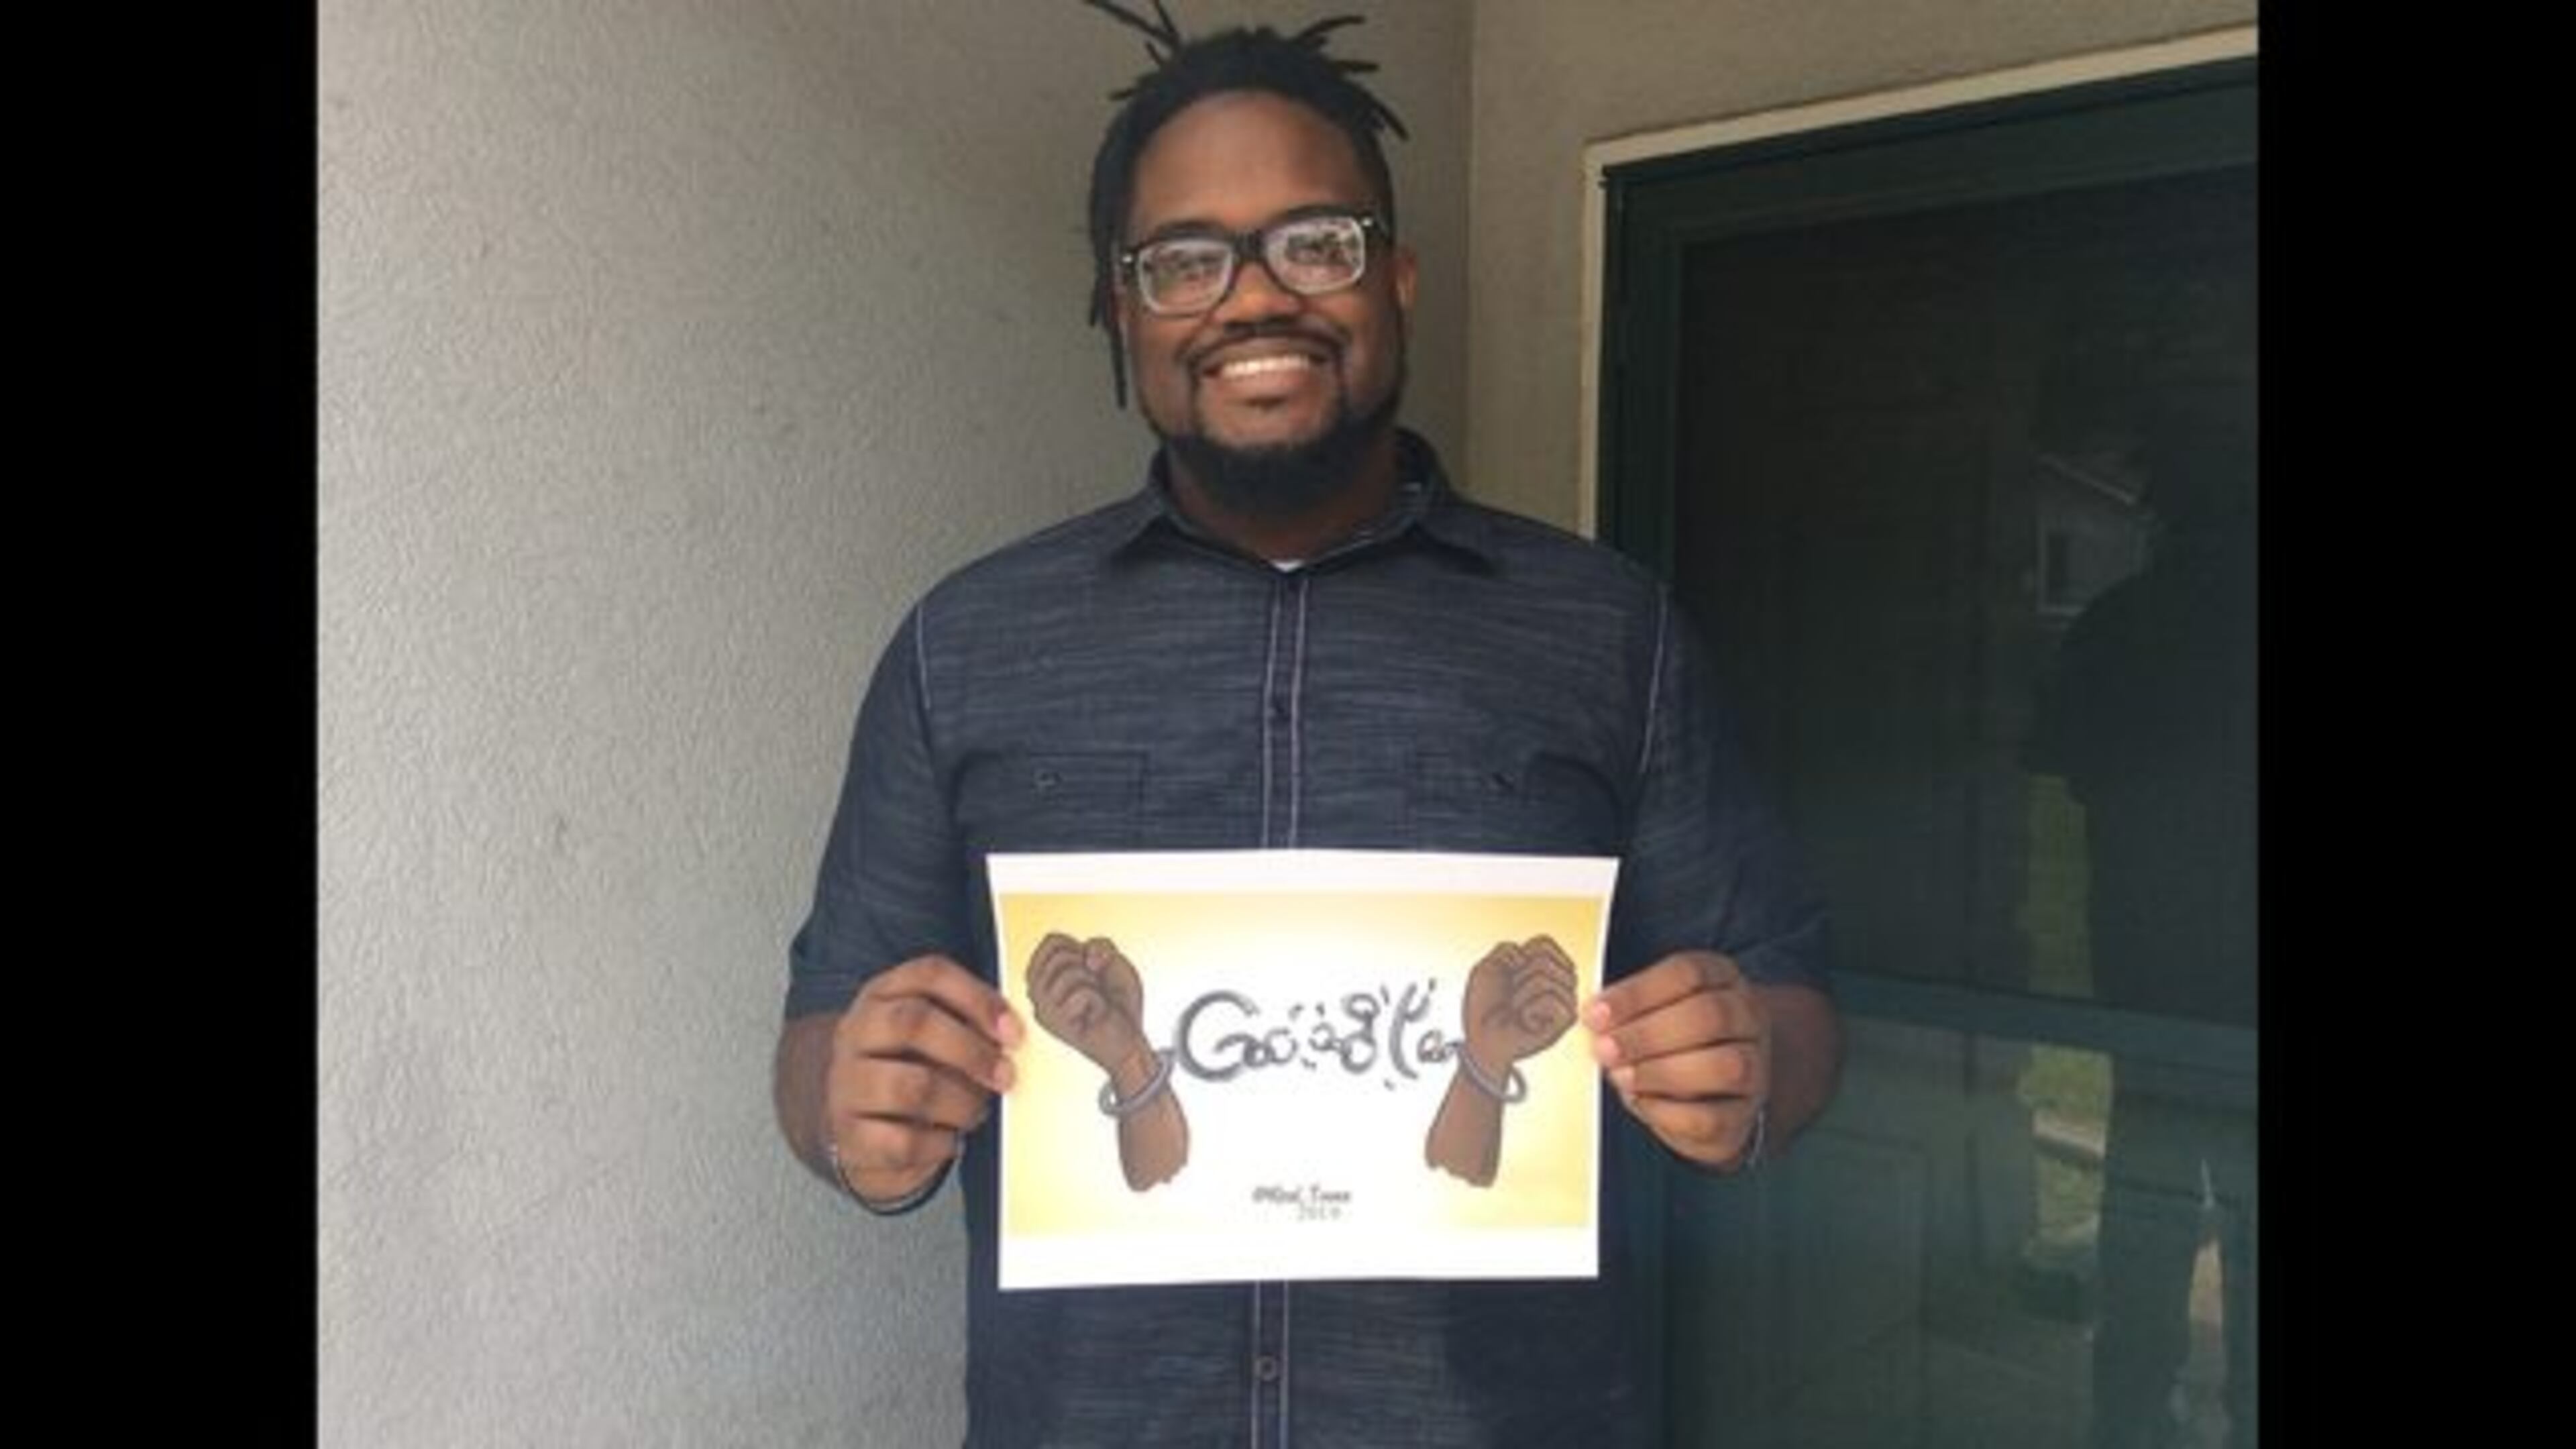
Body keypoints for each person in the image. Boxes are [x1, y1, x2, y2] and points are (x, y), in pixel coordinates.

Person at [771, 9, 1842, 1444]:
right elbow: (822, 1029)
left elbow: (1792, 996)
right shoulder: (966, 646)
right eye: (1186, 260)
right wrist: (856, 1111)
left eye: (1316, 241)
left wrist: (1752, 1064)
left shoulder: (1608, 632)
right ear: (1123, 311)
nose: (1254, 296)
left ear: (1395, 279)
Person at [2025, 392, 2257, 1449]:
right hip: (2193, 966)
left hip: (2149, 958)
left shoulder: (2124, 626)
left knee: (2151, 1199)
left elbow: (2060, 760)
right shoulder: (2136, 628)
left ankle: (2130, 1415)